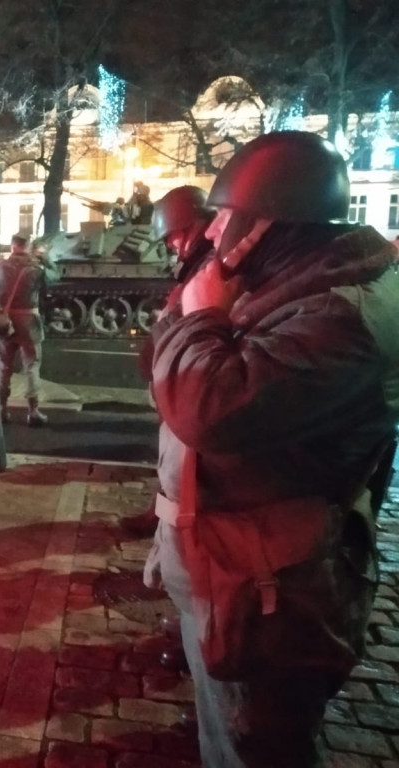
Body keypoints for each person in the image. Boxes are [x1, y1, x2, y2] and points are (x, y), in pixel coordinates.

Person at [144, 131, 399, 767]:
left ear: (269, 225)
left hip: (264, 590)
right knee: (231, 731)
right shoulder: (295, 287)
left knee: (253, 744)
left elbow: (209, 408)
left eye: (227, 216)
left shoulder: (341, 313)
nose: (211, 231)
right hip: (235, 569)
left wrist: (202, 317)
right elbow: (165, 371)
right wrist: (199, 305)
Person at [122, 185, 216, 538]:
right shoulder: (201, 262)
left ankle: (169, 524)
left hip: (189, 378)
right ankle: (163, 518)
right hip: (179, 376)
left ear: (187, 227)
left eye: (171, 238)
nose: (171, 246)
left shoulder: (210, 263)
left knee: (181, 460)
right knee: (173, 457)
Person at [0, 234, 47, 426]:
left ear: (12, 246)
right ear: (29, 247)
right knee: (31, 366)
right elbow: (53, 281)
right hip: (29, 321)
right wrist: (45, 259)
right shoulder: (35, 269)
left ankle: (1, 409)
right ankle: (33, 411)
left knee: (4, 365)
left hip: (6, 321)